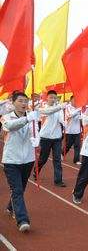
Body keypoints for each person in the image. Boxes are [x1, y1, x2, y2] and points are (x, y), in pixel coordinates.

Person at [1, 92, 40, 232]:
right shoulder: (6, 117)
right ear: (13, 102)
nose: (24, 104)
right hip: (11, 160)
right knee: (17, 190)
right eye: (21, 101)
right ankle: (22, 220)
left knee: (21, 188)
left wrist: (37, 140)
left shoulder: (32, 117)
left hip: (28, 159)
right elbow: (10, 126)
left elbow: (36, 131)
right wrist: (27, 119)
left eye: (26, 101)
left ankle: (11, 207)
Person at [35, 90, 67, 187]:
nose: (53, 99)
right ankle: (36, 170)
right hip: (45, 137)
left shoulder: (59, 109)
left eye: (55, 98)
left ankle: (58, 180)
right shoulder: (42, 108)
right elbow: (48, 112)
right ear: (47, 98)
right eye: (51, 97)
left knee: (57, 159)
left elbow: (61, 118)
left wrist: (64, 123)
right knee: (43, 159)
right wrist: (60, 106)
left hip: (57, 138)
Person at [64, 96, 82, 165]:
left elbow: (81, 117)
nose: (75, 102)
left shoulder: (78, 108)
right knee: (68, 145)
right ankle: (62, 153)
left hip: (77, 130)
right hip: (69, 130)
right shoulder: (67, 107)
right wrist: (78, 110)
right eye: (74, 100)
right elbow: (69, 115)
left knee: (77, 146)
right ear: (71, 100)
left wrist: (80, 115)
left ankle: (76, 160)